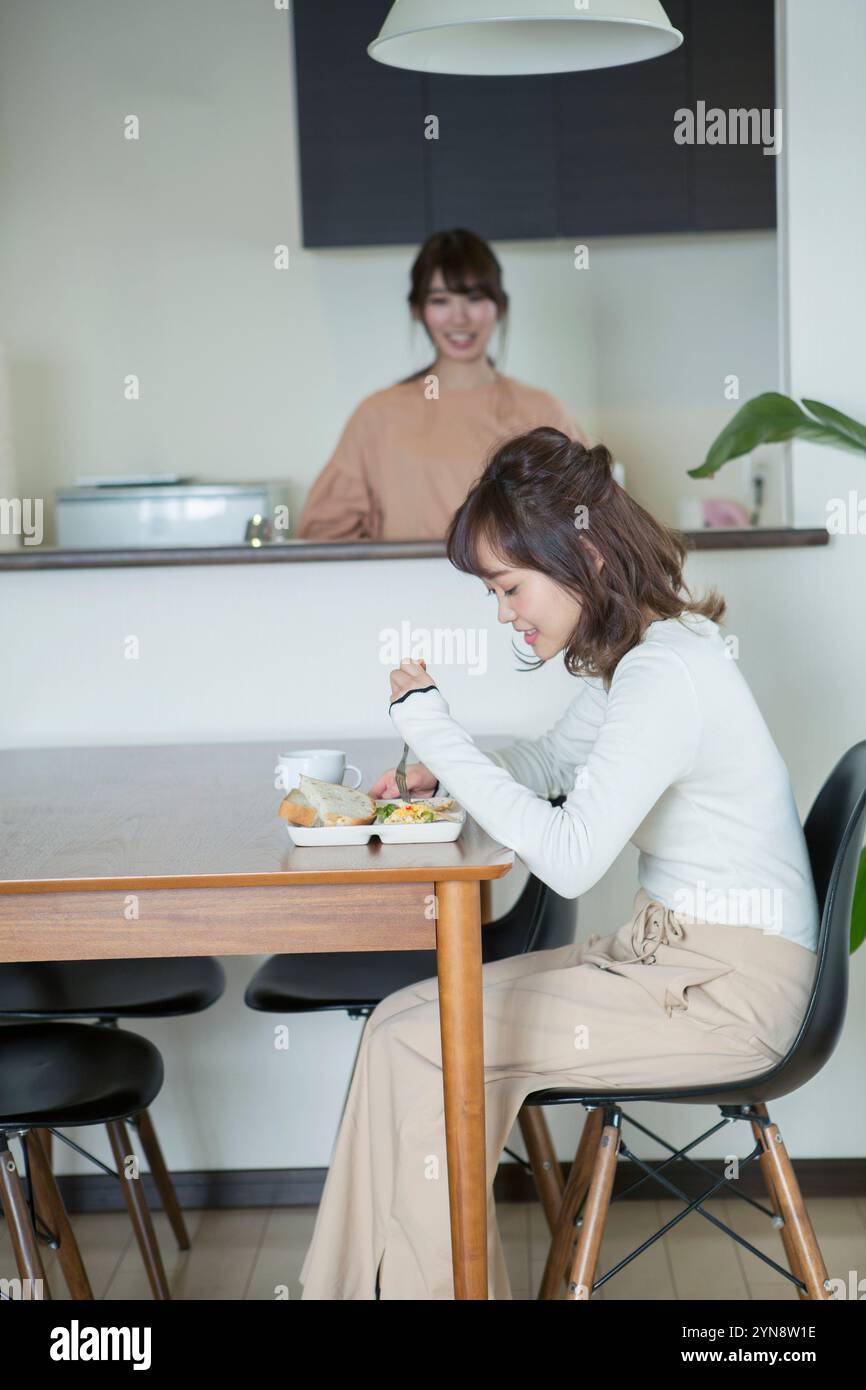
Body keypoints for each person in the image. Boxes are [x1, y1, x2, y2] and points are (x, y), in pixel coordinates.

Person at [298, 427, 820, 1300]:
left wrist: (437, 730)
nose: (506, 612)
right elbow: (546, 768)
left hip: (726, 996)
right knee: (398, 1026)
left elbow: (572, 858)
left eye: (509, 586)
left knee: (425, 1045)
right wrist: (444, 770)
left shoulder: (665, 675)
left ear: (579, 551)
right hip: (671, 962)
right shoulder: (645, 655)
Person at [295, 229, 588, 541]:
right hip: (405, 590)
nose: (459, 318)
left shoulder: (542, 411)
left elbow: (591, 520)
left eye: (475, 299)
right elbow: (322, 536)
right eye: (440, 300)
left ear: (499, 307)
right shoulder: (377, 416)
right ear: (418, 310)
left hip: (512, 591)